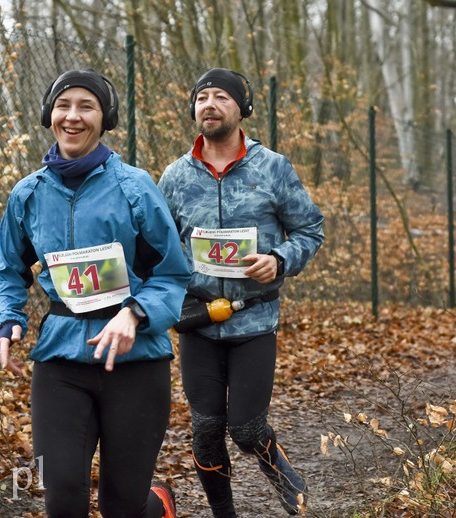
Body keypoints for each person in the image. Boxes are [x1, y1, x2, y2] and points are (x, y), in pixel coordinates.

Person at [0, 68, 188, 518]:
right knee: (63, 500)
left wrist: (134, 313)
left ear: (105, 118)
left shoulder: (135, 188)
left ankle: (156, 505)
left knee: (123, 506)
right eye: (63, 106)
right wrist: (9, 319)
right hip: (60, 361)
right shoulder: (28, 195)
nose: (72, 117)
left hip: (136, 364)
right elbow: (7, 270)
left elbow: (174, 273)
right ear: (49, 115)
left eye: (86, 106)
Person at [157, 68, 324, 517]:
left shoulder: (273, 167)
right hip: (197, 321)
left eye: (221, 97)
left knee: (247, 429)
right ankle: (224, 514)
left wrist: (281, 260)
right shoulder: (175, 176)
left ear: (241, 108)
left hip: (254, 319)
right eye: (202, 97)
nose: (209, 104)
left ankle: (285, 475)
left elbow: (310, 229)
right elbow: (156, 245)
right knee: (207, 430)